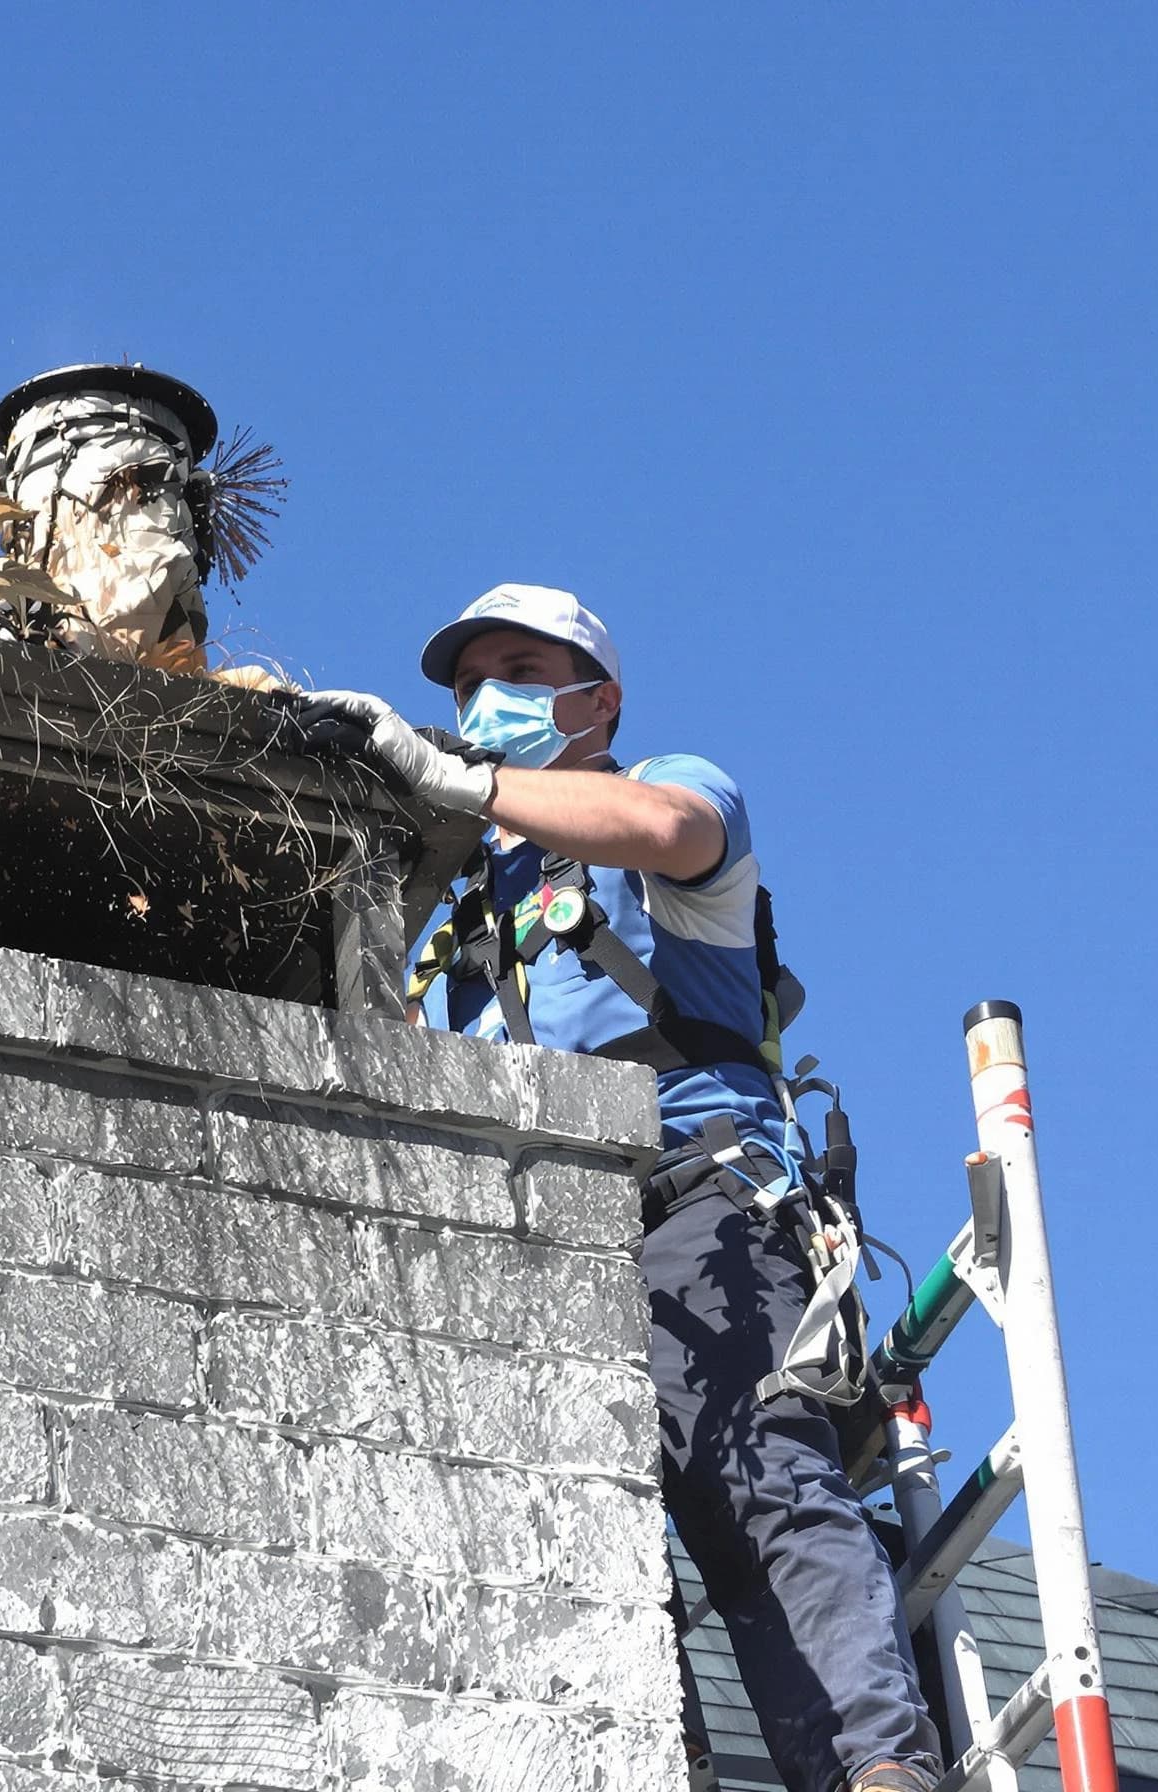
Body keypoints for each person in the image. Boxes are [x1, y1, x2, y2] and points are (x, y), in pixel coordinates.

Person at [294, 584, 941, 1792]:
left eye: (519, 669)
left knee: (754, 1489)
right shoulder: (443, 912)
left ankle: (875, 1771)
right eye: (466, 680)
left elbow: (666, 826)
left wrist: (457, 783)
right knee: (573, 1524)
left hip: (696, 1203)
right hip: (528, 1238)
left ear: (597, 697)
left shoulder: (671, 798)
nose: (486, 697)